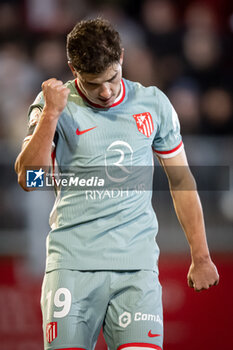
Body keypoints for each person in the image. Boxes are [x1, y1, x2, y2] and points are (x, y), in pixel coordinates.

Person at [15, 18, 219, 350]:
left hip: (135, 268)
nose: (107, 91)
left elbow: (181, 179)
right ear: (73, 69)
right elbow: (30, 179)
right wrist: (51, 115)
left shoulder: (153, 105)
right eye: (94, 84)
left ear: (122, 57)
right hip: (72, 266)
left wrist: (201, 254)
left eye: (112, 78)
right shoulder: (53, 106)